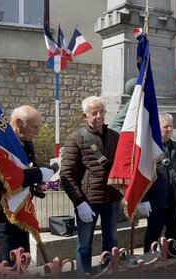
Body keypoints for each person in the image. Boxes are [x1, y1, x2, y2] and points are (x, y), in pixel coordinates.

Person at [60, 96, 122, 276]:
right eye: (94, 113)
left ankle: (109, 273)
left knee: (111, 241)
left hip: (112, 198)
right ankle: (83, 275)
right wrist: (79, 203)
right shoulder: (76, 138)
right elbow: (66, 174)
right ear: (84, 115)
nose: (99, 116)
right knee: (85, 244)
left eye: (102, 112)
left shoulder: (114, 136)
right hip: (89, 201)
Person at [0, 105, 54, 263]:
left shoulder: (26, 143)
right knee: (6, 265)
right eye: (34, 127)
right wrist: (37, 174)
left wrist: (36, 184)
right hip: (1, 215)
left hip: (21, 210)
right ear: (18, 122)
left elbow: (27, 169)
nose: (38, 132)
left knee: (23, 261)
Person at [137, 112, 176, 254]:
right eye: (166, 127)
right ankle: (149, 262)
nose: (170, 130)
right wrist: (143, 199)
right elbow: (141, 176)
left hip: (174, 200)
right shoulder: (148, 149)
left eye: (171, 126)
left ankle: (170, 260)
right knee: (153, 235)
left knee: (174, 233)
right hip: (155, 201)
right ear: (157, 128)